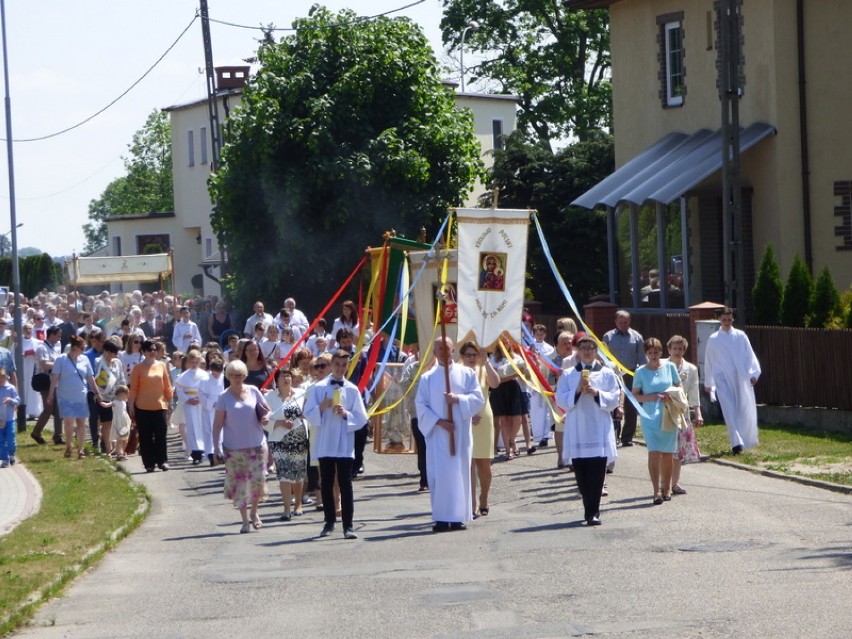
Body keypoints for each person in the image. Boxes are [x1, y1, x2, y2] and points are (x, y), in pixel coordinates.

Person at [415, 337, 485, 532]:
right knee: (439, 474)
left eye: (447, 348)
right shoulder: (427, 378)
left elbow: (478, 399)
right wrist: (439, 422)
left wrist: (458, 400)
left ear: (453, 350)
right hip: (438, 434)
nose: (444, 353)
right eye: (440, 349)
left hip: (460, 433)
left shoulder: (467, 374)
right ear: (434, 353)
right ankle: (440, 517)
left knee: (459, 472)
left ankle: (457, 517)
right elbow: (421, 405)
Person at [303, 349, 369, 540]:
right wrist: (322, 406)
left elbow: (362, 418)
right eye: (337, 364)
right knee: (326, 482)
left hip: (344, 444)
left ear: (348, 366)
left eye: (344, 365)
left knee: (345, 484)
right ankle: (329, 521)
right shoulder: (318, 387)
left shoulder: (352, 389)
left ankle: (348, 525)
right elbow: (308, 413)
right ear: (331, 365)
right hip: (325, 441)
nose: (340, 368)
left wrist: (346, 414)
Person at [555, 333, 619, 525]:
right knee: (582, 472)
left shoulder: (606, 373)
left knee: (597, 471)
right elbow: (560, 398)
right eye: (583, 349)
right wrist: (576, 391)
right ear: (578, 352)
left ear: (596, 351)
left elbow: (614, 397)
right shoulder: (568, 374)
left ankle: (595, 511)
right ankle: (587, 507)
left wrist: (596, 392)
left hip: (598, 426)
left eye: (591, 348)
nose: (587, 352)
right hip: (578, 427)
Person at [212, 360, 271, 534]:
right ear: (228, 376)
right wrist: (216, 448)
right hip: (234, 448)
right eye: (233, 375)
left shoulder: (253, 391)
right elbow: (217, 425)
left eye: (240, 375)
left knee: (257, 482)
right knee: (239, 485)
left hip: (257, 445)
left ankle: (254, 512)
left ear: (245, 375)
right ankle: (245, 520)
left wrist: (266, 417)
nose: (237, 378)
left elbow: (266, 409)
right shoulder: (223, 397)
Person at [704, 307, 761, 455]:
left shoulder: (741, 336)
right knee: (729, 410)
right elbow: (709, 361)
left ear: (733, 319)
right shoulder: (714, 339)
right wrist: (709, 383)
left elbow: (750, 355)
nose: (727, 322)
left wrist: (753, 374)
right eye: (724, 320)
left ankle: (746, 439)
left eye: (729, 320)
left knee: (743, 409)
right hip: (722, 379)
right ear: (720, 320)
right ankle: (736, 443)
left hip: (740, 378)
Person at [632, 338, 682, 504]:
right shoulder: (640, 371)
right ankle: (656, 491)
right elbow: (635, 395)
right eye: (650, 353)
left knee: (667, 453)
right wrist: (651, 397)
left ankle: (667, 487)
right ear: (646, 354)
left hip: (668, 414)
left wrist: (671, 393)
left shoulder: (670, 367)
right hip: (650, 416)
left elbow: (679, 387)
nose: (654, 355)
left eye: (656, 352)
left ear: (662, 352)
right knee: (653, 453)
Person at [459, 341, 500, 518]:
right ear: (461, 356)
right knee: (468, 463)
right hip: (465, 419)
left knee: (484, 465)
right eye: (468, 355)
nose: (471, 358)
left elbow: (496, 383)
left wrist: (486, 362)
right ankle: (472, 502)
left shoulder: (483, 368)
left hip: (484, 418)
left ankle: (484, 496)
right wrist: (467, 414)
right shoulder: (458, 371)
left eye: (474, 355)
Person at [47, 336, 102, 459]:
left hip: (80, 395)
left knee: (81, 422)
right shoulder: (61, 359)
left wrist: (97, 393)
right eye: (82, 348)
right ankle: (68, 445)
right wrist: (51, 394)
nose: (83, 350)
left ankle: (80, 449)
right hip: (65, 395)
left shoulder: (85, 359)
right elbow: (55, 378)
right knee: (68, 421)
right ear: (75, 347)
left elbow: (90, 378)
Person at [265, 367, 309, 521]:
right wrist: (279, 423)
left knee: (297, 472)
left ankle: (298, 504)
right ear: (276, 381)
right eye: (283, 376)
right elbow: (263, 420)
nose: (287, 379)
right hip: (278, 440)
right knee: (284, 473)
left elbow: (308, 412)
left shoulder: (301, 393)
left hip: (299, 438)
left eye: (289, 376)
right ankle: (286, 509)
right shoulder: (269, 397)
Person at [665, 335, 703, 494]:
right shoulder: (661, 365)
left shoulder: (691, 369)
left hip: (682, 413)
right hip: (664, 412)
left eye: (680, 349)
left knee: (678, 451)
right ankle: (663, 484)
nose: (677, 351)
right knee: (665, 450)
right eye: (674, 348)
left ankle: (675, 483)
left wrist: (698, 413)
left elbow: (694, 391)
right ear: (669, 349)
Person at [602, 310, 646, 446]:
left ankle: (627, 437)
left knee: (631, 406)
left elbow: (642, 359)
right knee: (613, 403)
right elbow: (603, 356)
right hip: (612, 373)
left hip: (631, 374)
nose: (623, 324)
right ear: (615, 322)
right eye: (620, 322)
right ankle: (614, 434)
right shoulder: (608, 337)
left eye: (625, 322)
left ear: (629, 322)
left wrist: (643, 376)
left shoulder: (637, 337)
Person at [129, 339, 174, 472]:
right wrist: (131, 404)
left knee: (161, 435)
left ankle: (162, 461)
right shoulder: (138, 368)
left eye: (154, 349)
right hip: (142, 407)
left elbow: (167, 385)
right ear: (143, 352)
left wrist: (170, 400)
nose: (152, 352)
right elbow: (134, 388)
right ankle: (149, 463)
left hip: (159, 405)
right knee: (145, 436)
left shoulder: (161, 365)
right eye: (149, 350)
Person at [93, 339, 127, 456]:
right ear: (106, 351)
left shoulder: (117, 362)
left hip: (116, 398)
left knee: (116, 422)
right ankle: (108, 448)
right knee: (106, 423)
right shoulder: (98, 361)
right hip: (103, 397)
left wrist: (123, 393)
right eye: (112, 352)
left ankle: (116, 446)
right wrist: (99, 395)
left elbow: (122, 378)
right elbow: (96, 379)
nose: (113, 355)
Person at [175, 349, 209, 465]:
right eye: (192, 362)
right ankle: (195, 454)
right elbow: (179, 390)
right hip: (189, 403)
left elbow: (208, 389)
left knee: (202, 425)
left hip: (200, 403)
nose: (194, 364)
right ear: (189, 361)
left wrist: (201, 399)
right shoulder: (184, 376)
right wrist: (188, 399)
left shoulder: (205, 375)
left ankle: (205, 450)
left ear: (199, 361)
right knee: (192, 428)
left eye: (196, 362)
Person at [31, 325, 63, 445]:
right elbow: (44, 365)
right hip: (45, 381)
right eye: (58, 335)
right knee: (49, 408)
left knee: (58, 410)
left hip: (55, 381)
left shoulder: (57, 346)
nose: (60, 338)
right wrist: (59, 364)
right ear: (52, 335)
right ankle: (36, 432)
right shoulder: (41, 347)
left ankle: (58, 436)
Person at [102, 384, 131, 461]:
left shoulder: (124, 403)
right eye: (124, 395)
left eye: (126, 395)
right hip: (118, 422)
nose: (125, 397)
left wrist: (129, 421)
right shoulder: (115, 402)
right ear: (118, 394)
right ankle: (119, 454)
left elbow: (125, 412)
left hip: (124, 422)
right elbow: (107, 405)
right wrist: (101, 402)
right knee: (120, 439)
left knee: (125, 439)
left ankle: (123, 452)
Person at [0, 368, 20, 468]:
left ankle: (11, 454)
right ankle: (4, 459)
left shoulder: (10, 388)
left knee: (10, 438)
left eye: (2, 377)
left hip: (9, 418)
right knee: (1, 440)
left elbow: (17, 400)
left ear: (5, 377)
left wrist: (10, 400)